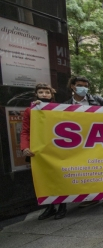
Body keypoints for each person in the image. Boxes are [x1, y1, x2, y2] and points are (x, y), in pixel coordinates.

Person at [21, 84, 68, 220]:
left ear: (51, 94)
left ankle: (62, 206)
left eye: (47, 92)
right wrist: (25, 147)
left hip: (55, 149)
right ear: (36, 94)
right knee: (44, 179)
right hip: (38, 151)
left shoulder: (58, 109)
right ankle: (50, 207)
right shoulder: (30, 111)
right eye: (41, 92)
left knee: (59, 178)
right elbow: (25, 131)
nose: (44, 94)